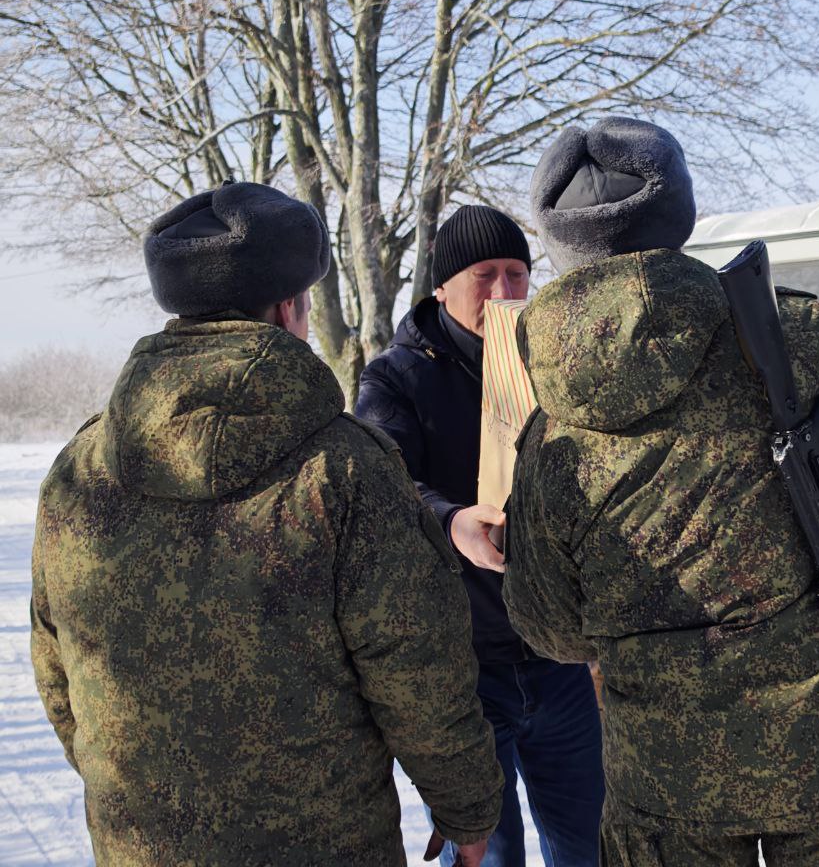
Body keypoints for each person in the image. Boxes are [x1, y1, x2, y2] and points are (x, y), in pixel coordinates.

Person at [502, 117, 819, 867]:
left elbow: (552, 630)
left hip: (662, 789)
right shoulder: (788, 340)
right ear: (677, 212)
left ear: (558, 242)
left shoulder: (547, 429)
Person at [30, 182, 502, 866]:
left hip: (143, 845)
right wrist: (466, 808)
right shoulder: (346, 469)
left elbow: (58, 669)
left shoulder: (79, 472)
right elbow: (417, 669)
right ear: (290, 306)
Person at [355, 205, 605, 867]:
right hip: (464, 667)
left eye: (516, 273)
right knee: (488, 856)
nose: (503, 291)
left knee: (592, 845)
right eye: (483, 274)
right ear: (442, 286)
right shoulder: (396, 377)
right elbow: (382, 487)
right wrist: (451, 521)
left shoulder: (552, 360)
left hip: (557, 656)